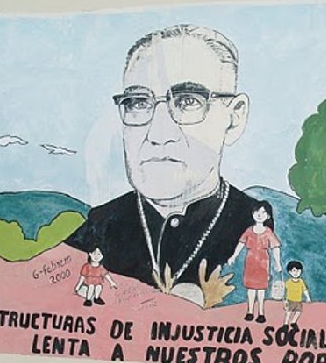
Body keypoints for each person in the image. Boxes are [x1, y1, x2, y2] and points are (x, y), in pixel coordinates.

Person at [66, 24, 259, 298]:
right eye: (137, 102)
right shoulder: (95, 231)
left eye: (188, 101)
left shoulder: (258, 225)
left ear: (234, 119)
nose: (158, 134)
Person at [227, 201, 282, 323]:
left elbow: (275, 247)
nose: (259, 214)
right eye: (257, 211)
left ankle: (261, 313)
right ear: (252, 214)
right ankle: (250, 312)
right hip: (250, 260)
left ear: (268, 216)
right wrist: (234, 256)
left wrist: (278, 263)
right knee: (251, 288)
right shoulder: (249, 230)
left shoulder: (268, 231)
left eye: (263, 212)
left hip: (263, 262)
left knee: (261, 289)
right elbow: (241, 243)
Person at [283, 260, 310, 325]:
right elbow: (284, 290)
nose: (296, 273)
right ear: (290, 272)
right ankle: (286, 323)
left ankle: (293, 321)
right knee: (289, 312)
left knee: (298, 312)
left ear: (301, 271)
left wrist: (308, 297)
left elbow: (304, 290)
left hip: (298, 301)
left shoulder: (301, 281)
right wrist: (285, 300)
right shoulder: (289, 282)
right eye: (294, 270)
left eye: (298, 271)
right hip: (290, 300)